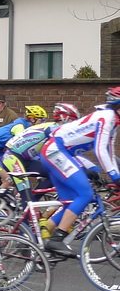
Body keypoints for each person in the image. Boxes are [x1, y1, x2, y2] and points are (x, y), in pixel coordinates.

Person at [39, 88, 120, 257]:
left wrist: (116, 175)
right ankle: (57, 239)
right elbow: (99, 150)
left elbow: (110, 152)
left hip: (59, 152)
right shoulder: (107, 117)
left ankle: (41, 237)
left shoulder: (113, 121)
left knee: (71, 202)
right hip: (56, 150)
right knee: (85, 193)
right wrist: (114, 177)